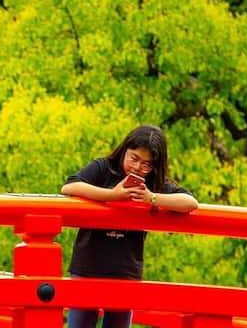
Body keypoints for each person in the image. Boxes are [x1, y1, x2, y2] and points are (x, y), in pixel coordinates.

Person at [59, 125, 199, 328]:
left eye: (146, 164)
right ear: (124, 150)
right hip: (88, 265)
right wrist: (112, 195)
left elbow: (190, 202)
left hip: (125, 270)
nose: (137, 167)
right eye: (133, 158)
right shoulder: (104, 168)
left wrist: (151, 197)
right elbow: (69, 187)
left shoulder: (152, 183)